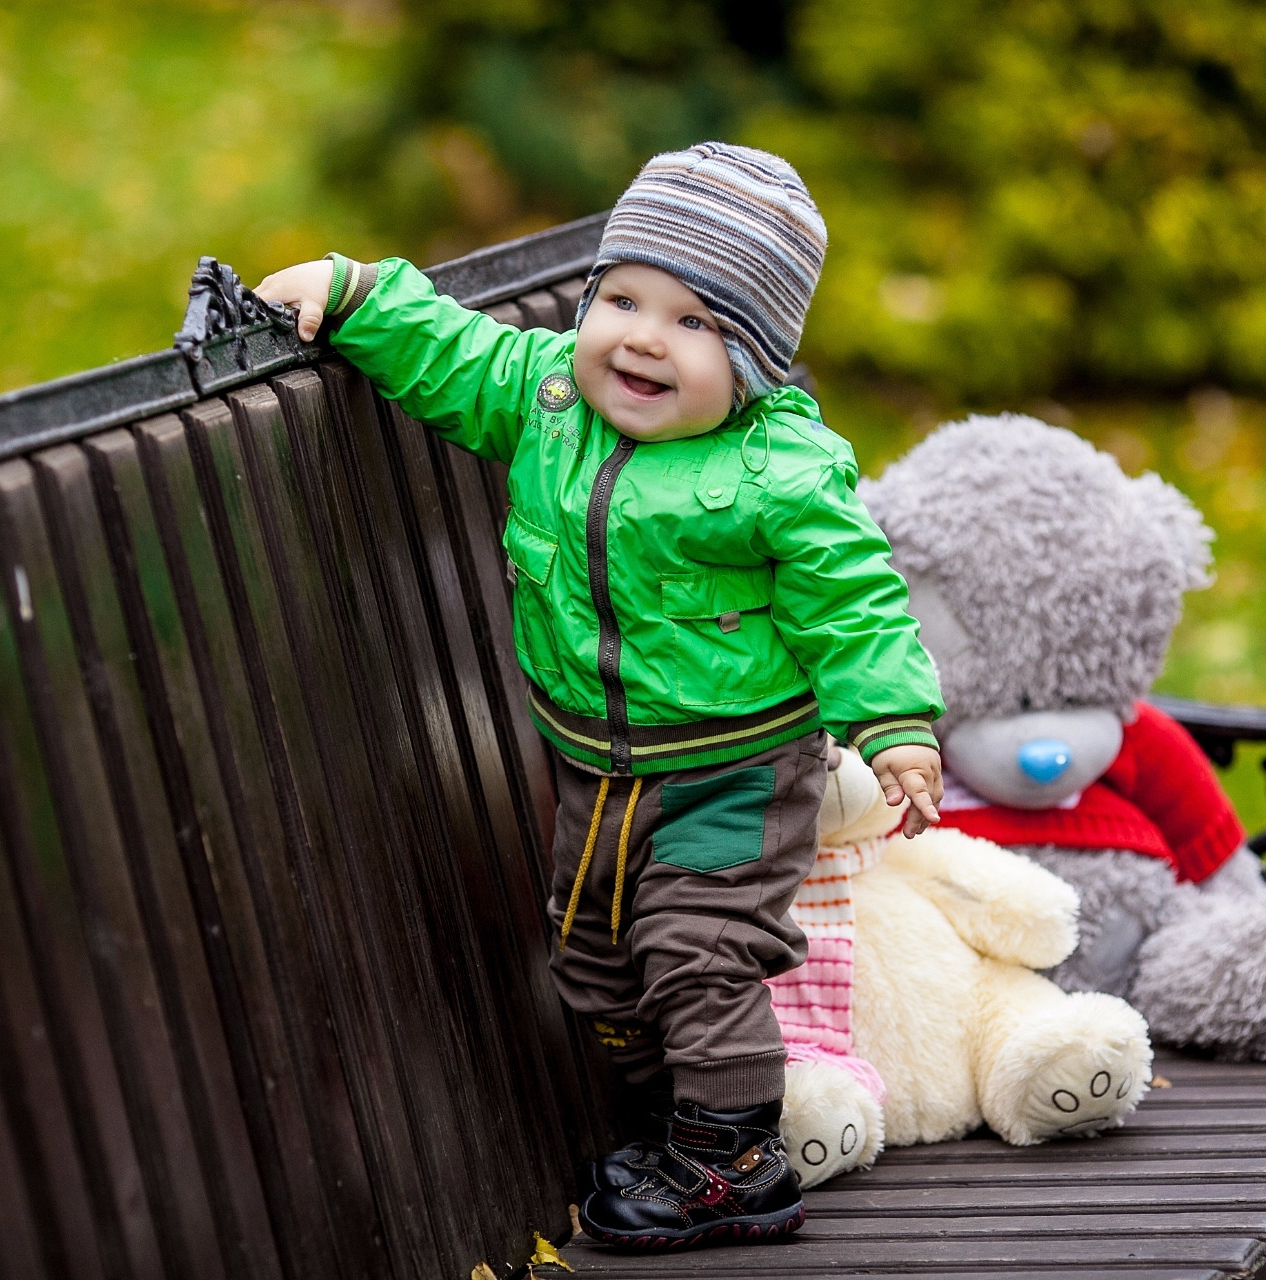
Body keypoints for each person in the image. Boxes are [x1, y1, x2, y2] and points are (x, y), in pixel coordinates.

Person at [257, 142, 944, 1250]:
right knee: (595, 956)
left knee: (695, 946)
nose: (641, 336)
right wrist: (356, 293)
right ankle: (682, 1119)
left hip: (736, 768)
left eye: (695, 322)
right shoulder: (545, 402)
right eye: (622, 297)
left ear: (758, 359)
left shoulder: (782, 471)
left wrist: (897, 725)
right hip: (598, 766)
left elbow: (856, 602)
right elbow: (451, 350)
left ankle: (734, 1163)